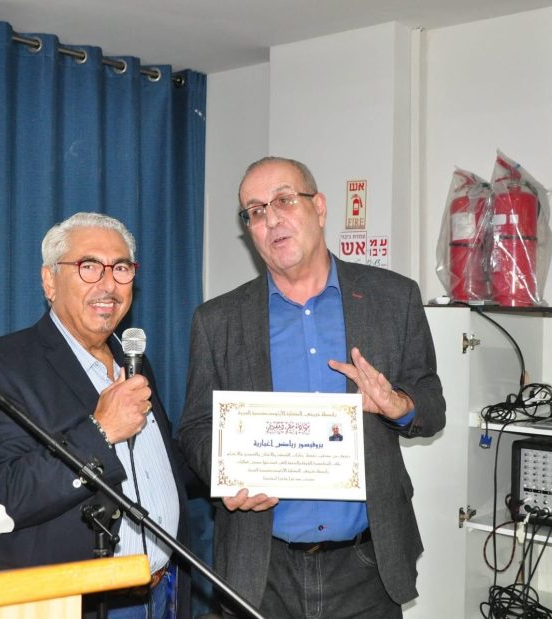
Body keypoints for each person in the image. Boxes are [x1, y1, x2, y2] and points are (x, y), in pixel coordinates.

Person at [178, 157, 446, 618]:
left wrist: (397, 403)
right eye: (255, 211)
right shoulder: (217, 321)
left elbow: (432, 403)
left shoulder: (393, 298)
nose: (271, 219)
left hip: (367, 566)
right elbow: (196, 427)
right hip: (261, 568)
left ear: (319, 207)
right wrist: (225, 474)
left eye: (284, 200)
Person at [0, 212, 189, 619]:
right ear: (49, 281)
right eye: (89, 266)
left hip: (161, 596)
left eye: (121, 268)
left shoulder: (134, 362)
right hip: (71, 604)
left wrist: (237, 468)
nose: (108, 284)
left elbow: (159, 470)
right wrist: (100, 431)